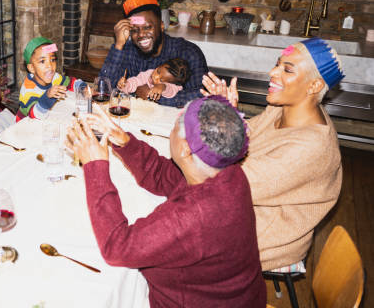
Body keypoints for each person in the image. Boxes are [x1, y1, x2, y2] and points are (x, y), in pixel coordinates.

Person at [67, 97, 266, 308]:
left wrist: (95, 166)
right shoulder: (229, 172)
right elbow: (163, 176)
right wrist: (124, 141)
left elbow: (117, 247)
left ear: (185, 150)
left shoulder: (193, 216)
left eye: (176, 125)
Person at [201, 38, 343, 271]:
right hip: (242, 203)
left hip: (263, 235)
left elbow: (228, 186)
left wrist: (220, 124)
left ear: (314, 86)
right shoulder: (281, 109)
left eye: (287, 69)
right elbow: (242, 138)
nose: (272, 72)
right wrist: (227, 115)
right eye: (277, 64)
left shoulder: (310, 148)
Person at [98, 0, 207, 107]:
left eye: (147, 27)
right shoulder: (128, 50)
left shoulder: (188, 52)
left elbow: (201, 96)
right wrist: (119, 45)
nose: (141, 35)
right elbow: (103, 89)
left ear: (161, 26)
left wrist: (152, 96)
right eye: (135, 30)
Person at [17, 36, 85, 121]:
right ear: (31, 68)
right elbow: (35, 115)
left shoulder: (54, 77)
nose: (50, 66)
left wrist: (83, 88)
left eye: (52, 60)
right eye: (42, 61)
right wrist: (47, 96)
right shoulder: (28, 90)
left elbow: (70, 82)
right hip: (27, 126)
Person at [117, 57, 190, 102]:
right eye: (158, 71)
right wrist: (125, 84)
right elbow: (136, 81)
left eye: (161, 80)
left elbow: (171, 91)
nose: (155, 77)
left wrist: (163, 87)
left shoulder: (174, 86)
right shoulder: (149, 73)